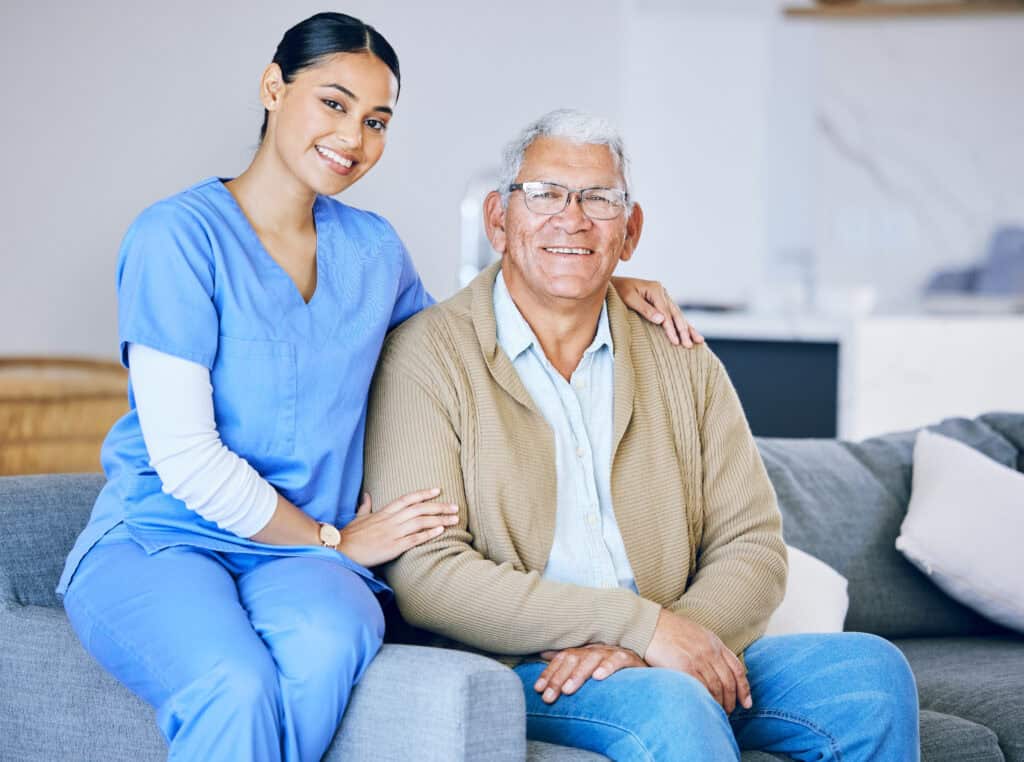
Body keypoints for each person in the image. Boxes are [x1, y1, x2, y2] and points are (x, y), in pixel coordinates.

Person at [57, 14, 696, 762]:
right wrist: (334, 539)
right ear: (273, 87)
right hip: (167, 538)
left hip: (300, 568)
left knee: (332, 646)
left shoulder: (372, 249)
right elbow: (187, 460)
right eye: (334, 104)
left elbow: (464, 344)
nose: (354, 138)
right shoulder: (176, 239)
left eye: (376, 120)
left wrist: (595, 277)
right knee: (235, 685)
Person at [364, 109, 921, 761]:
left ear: (629, 233)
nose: (571, 218)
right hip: (522, 664)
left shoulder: (679, 354)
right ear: (497, 219)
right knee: (672, 705)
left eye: (599, 199)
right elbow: (429, 574)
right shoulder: (429, 356)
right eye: (545, 194)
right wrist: (641, 628)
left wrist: (670, 640)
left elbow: (753, 544)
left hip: (676, 643)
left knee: (870, 677)